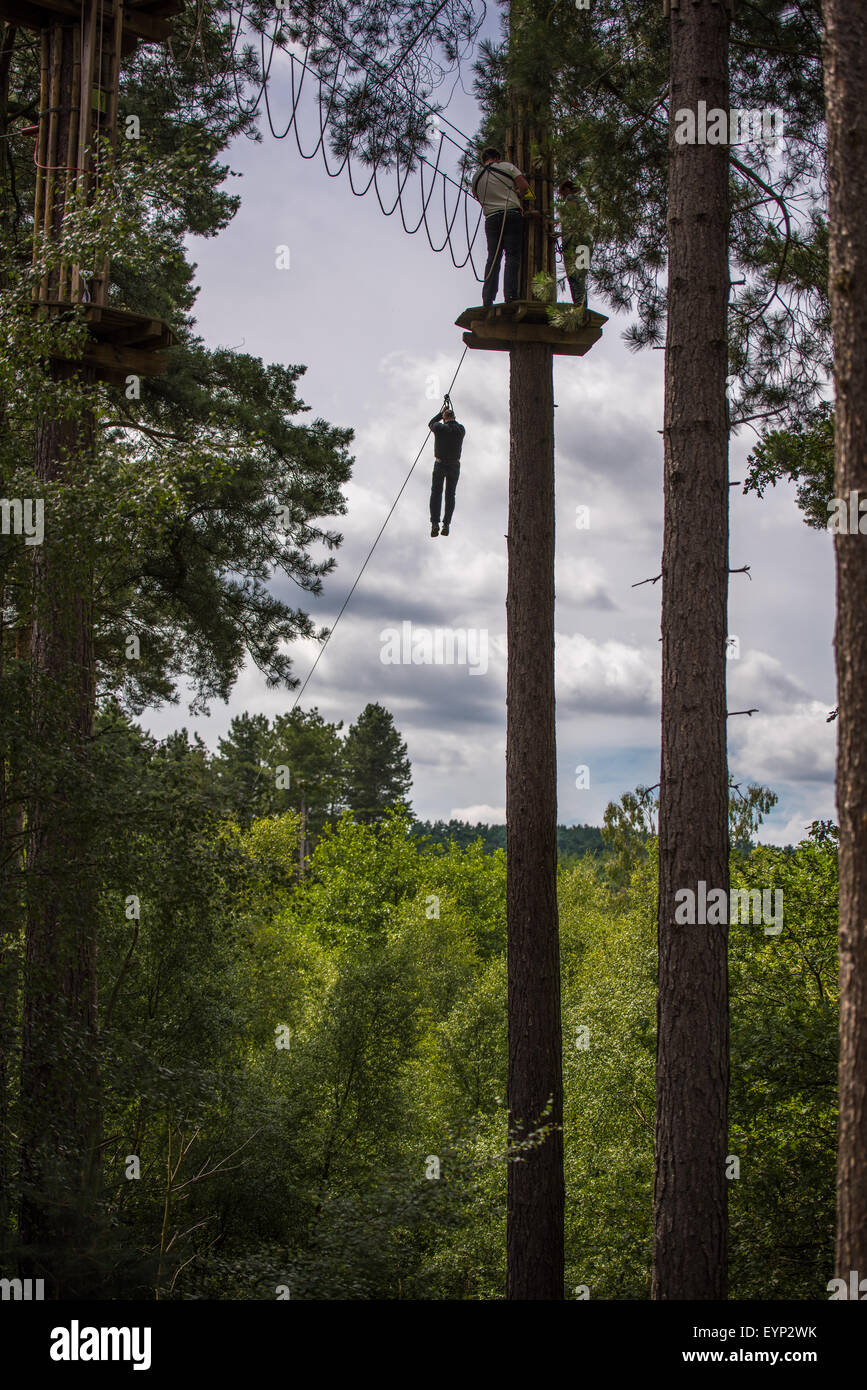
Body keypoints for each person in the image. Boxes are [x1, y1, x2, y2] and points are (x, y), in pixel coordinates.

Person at [472, 146, 532, 307]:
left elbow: (478, 197)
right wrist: (517, 194)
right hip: (511, 213)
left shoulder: (476, 177)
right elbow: (524, 186)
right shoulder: (506, 167)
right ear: (497, 158)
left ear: (484, 159)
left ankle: (487, 297)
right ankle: (510, 295)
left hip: (491, 218)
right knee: (512, 255)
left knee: (493, 257)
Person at [428, 397, 465, 537]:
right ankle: (446, 524)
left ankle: (434, 523)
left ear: (444, 418)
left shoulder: (440, 428)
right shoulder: (461, 430)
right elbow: (455, 424)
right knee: (450, 495)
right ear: (454, 417)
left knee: (436, 493)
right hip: (454, 465)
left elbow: (431, 423)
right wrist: (449, 415)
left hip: (440, 463)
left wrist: (440, 414)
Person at [557, 178, 593, 313]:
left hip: (574, 244)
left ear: (566, 190)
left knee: (574, 276)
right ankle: (582, 306)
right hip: (585, 244)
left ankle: (579, 306)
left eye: (561, 193)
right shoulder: (583, 203)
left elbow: (572, 219)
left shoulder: (571, 199)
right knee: (581, 278)